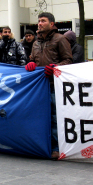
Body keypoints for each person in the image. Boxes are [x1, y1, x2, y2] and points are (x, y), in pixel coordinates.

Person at [25, 12, 73, 160]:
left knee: (54, 117)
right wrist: (30, 64)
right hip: (39, 87)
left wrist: (55, 68)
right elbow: (32, 60)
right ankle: (42, 145)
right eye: (39, 21)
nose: (40, 23)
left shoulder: (60, 39)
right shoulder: (35, 43)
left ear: (52, 24)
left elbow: (69, 61)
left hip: (55, 86)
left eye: (43, 21)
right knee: (39, 117)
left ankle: (56, 148)